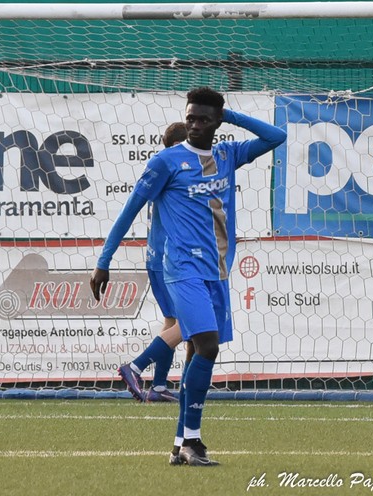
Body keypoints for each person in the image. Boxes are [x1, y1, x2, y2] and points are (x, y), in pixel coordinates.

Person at [90, 87, 287, 467]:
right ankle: (193, 441)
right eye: (190, 117)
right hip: (181, 269)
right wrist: (104, 260)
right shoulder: (167, 161)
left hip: (217, 271)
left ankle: (179, 443)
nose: (194, 124)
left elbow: (277, 137)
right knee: (208, 346)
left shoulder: (228, 155)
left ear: (216, 121)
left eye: (202, 118)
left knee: (198, 351)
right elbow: (131, 209)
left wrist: (232, 116)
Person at [117, 122, 188, 403]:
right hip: (167, 260)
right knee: (194, 322)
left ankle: (158, 386)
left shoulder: (164, 169)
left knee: (171, 321)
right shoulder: (173, 168)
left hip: (156, 257)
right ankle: (135, 366)